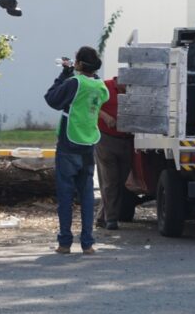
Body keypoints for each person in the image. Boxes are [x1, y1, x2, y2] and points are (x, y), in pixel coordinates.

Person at [44, 46, 109, 254]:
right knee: (87, 195)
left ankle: (64, 242)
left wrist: (64, 73)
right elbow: (92, 89)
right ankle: (88, 243)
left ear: (79, 64)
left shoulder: (74, 82)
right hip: (88, 144)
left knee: (65, 194)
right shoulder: (100, 86)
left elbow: (52, 99)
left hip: (68, 143)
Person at [95, 75, 134, 230]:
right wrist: (105, 116)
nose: (129, 89)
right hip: (106, 139)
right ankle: (111, 219)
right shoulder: (104, 87)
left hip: (126, 140)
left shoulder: (133, 92)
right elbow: (91, 105)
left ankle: (101, 217)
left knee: (120, 181)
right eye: (127, 86)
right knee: (110, 181)